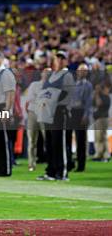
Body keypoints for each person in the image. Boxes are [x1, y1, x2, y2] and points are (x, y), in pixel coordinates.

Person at [36, 51, 76, 181]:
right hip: (48, 112)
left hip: (60, 111)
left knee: (60, 143)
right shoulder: (51, 75)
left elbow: (67, 94)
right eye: (57, 58)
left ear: (65, 61)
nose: (58, 60)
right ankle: (51, 171)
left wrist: (54, 102)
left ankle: (62, 171)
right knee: (50, 143)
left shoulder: (67, 75)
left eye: (61, 58)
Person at [69, 64, 93, 171]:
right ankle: (70, 162)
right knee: (68, 138)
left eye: (85, 71)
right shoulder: (74, 84)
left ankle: (81, 165)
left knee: (80, 139)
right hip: (72, 112)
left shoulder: (88, 85)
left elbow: (88, 102)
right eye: (81, 70)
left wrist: (86, 115)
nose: (83, 72)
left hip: (81, 112)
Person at [92, 81, 110, 162]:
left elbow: (99, 104)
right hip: (97, 119)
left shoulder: (106, 97)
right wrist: (96, 93)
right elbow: (93, 104)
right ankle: (99, 154)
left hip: (102, 119)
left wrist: (97, 94)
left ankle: (105, 154)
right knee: (98, 137)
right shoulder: (97, 96)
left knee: (102, 137)